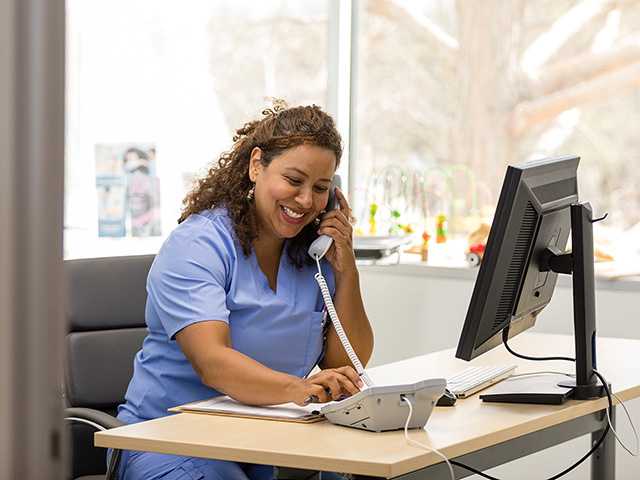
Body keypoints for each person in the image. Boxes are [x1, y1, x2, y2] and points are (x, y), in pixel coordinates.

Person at [114, 103, 374, 480]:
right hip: (169, 443)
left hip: (269, 441)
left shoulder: (312, 257)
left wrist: (346, 269)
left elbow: (346, 363)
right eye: (294, 179)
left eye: (321, 188)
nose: (305, 200)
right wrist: (300, 389)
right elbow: (213, 362)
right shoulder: (199, 245)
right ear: (257, 165)